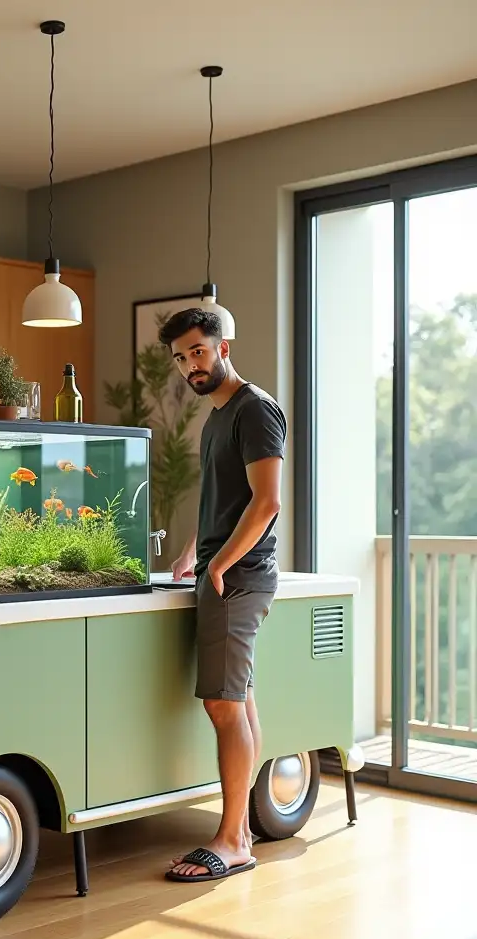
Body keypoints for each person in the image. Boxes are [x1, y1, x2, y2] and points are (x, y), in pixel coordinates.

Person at [158, 308, 286, 883]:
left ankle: (233, 839)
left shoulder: (255, 409)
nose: (190, 366)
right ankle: (242, 831)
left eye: (198, 352)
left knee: (223, 706)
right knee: (240, 701)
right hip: (219, 571)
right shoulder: (216, 418)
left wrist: (222, 564)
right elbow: (223, 501)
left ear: (223, 346)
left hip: (239, 577)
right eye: (182, 358)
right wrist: (191, 554)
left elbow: (266, 502)